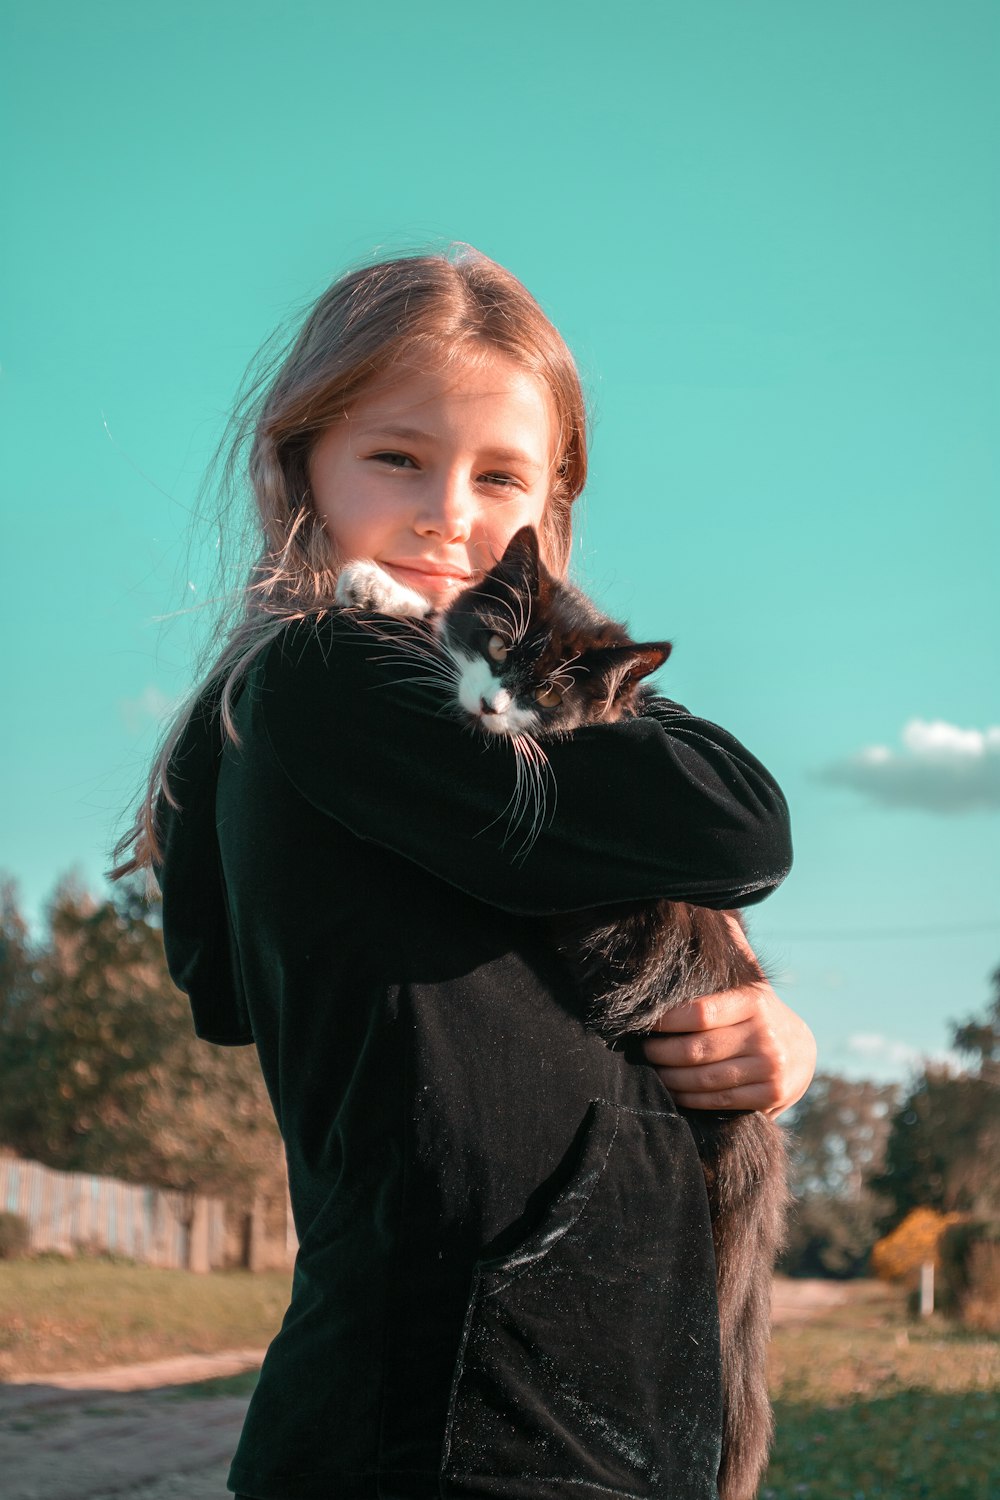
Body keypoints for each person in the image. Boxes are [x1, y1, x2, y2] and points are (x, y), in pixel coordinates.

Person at [110, 247, 815, 1500]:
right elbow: (741, 825)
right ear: (300, 464)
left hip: (597, 1407)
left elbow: (232, 985)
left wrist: (766, 1030)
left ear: (552, 501)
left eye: (500, 476)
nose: (448, 510)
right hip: (456, 1416)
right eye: (397, 457)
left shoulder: (427, 708)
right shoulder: (332, 673)